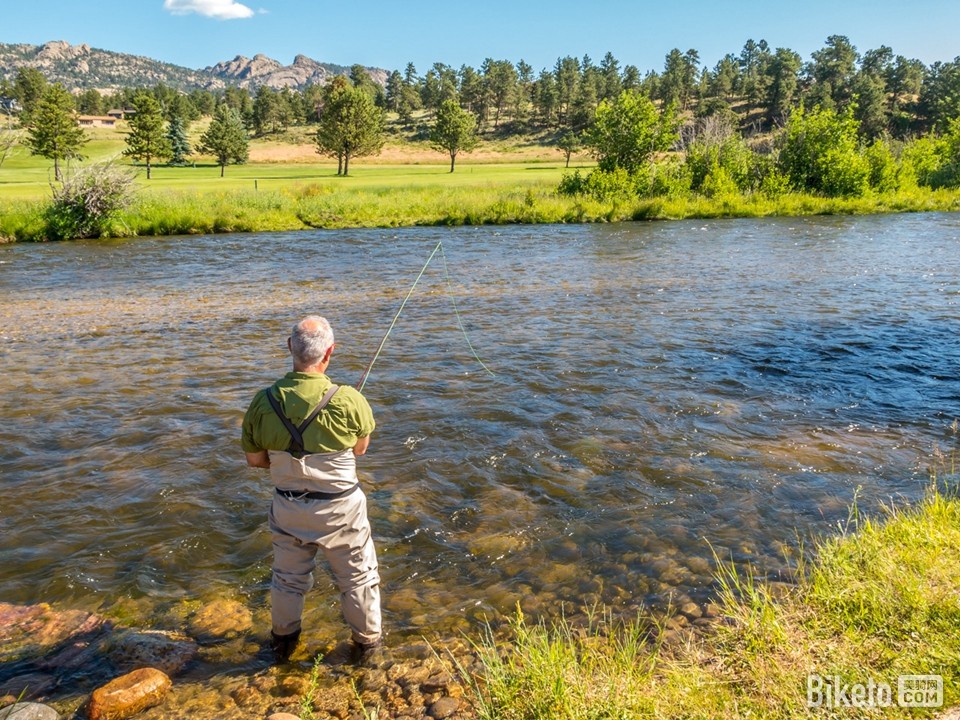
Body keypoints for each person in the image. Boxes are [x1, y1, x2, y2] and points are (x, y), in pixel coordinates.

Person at [241, 315, 382, 662]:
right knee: (358, 579)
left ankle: (283, 645)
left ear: (290, 347)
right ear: (330, 352)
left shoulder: (263, 402)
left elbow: (255, 461)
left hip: (288, 507)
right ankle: (367, 648)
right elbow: (360, 449)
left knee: (287, 580)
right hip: (341, 510)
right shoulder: (349, 399)